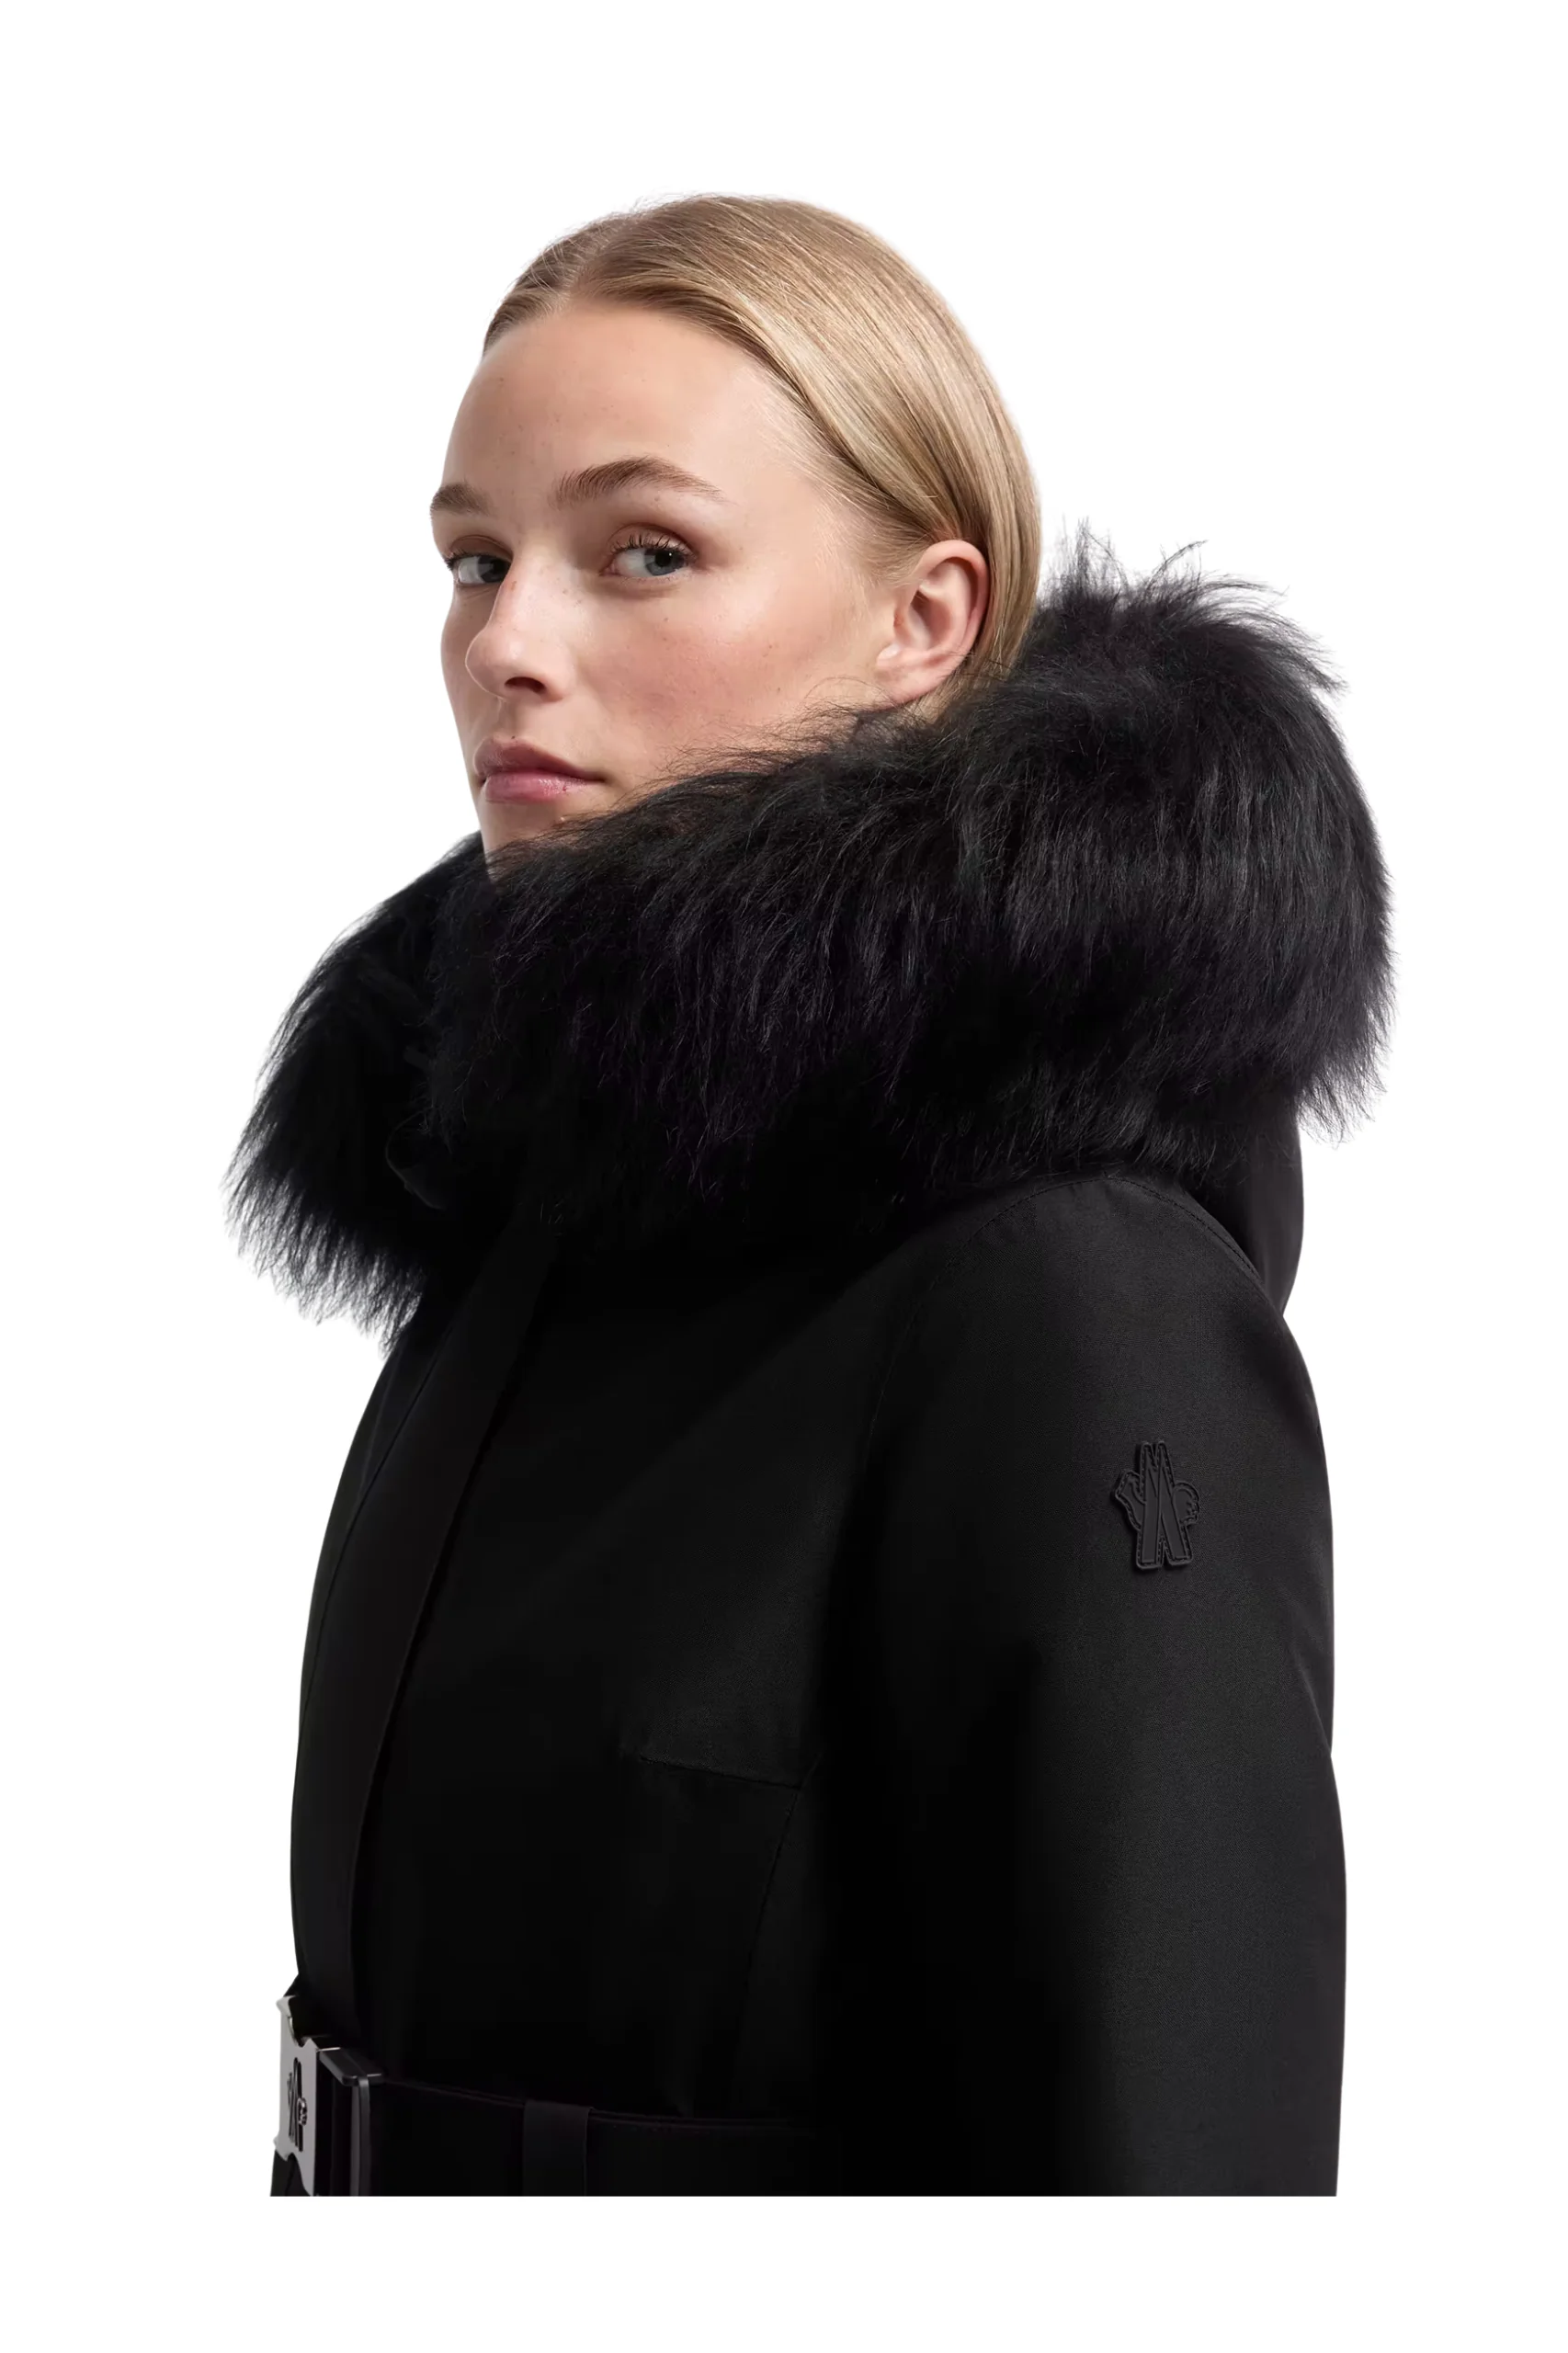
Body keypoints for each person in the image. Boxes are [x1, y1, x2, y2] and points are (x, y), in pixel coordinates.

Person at [227, 193, 1392, 2196]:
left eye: (645, 553)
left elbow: (1181, 2168)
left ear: (922, 623)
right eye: (475, 558)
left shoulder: (1064, 1293)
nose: (507, 645)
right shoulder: (524, 1203)